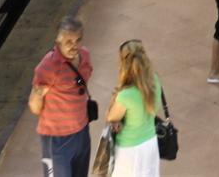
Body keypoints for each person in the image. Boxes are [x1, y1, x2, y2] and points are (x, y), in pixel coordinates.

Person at [29, 16, 94, 177]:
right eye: (69, 42)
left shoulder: (85, 56)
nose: (74, 46)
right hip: (57, 139)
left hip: (81, 133)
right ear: (58, 41)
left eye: (78, 40)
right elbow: (34, 105)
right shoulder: (48, 66)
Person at [106, 40, 164, 177]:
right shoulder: (155, 80)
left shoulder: (125, 95)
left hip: (129, 151)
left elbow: (110, 117)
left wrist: (116, 94)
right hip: (150, 144)